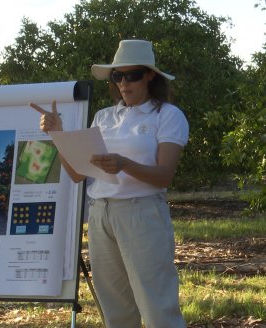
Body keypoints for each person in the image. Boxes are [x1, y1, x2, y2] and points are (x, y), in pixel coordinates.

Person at [31, 39, 188, 328]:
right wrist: (57, 135)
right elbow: (79, 174)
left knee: (157, 309)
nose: (124, 83)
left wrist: (124, 164)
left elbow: (165, 175)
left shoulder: (167, 115)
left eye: (133, 75)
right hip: (100, 213)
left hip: (141, 213)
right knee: (115, 312)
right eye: (118, 76)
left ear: (150, 75)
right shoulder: (103, 116)